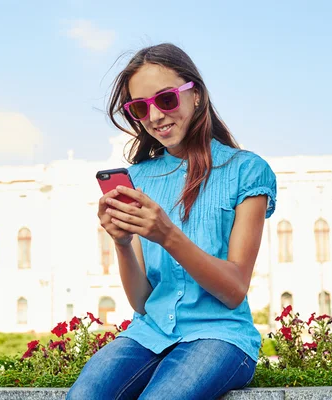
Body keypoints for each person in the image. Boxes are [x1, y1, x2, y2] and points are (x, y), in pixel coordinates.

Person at [67, 43, 277, 400]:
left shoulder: (246, 171)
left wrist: (167, 235)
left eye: (166, 100)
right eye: (139, 108)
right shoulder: (138, 179)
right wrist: (119, 244)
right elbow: (142, 301)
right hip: (148, 334)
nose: (155, 116)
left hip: (222, 336)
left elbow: (234, 289)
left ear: (195, 94)